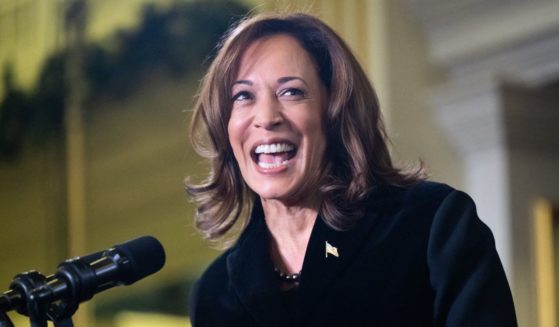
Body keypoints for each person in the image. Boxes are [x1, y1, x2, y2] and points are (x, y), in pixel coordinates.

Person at [186, 12, 517, 327]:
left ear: (334, 111)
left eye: (292, 92)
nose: (267, 117)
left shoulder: (429, 225)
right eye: (243, 96)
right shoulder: (215, 293)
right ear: (225, 126)